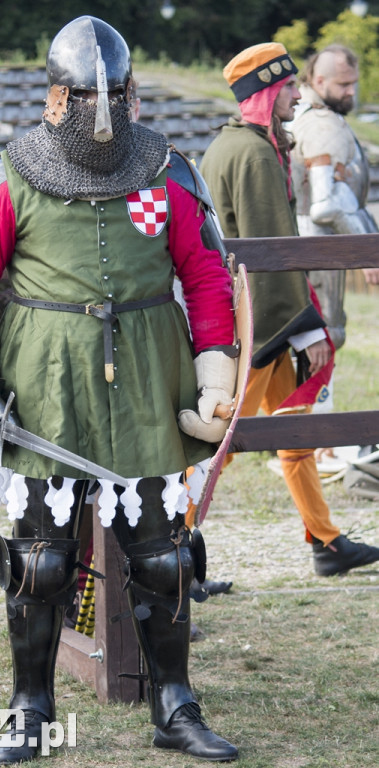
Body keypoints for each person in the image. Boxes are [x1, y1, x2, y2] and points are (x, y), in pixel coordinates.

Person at [0, 16, 239, 765]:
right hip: (45, 385)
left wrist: (214, 375)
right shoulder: (10, 176)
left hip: (147, 381)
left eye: (115, 95)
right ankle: (29, 708)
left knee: (165, 556)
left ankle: (174, 705)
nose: (100, 113)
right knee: (41, 560)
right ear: (55, 99)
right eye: (83, 96)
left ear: (128, 95)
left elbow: (204, 276)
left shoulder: (170, 172)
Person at [200, 42, 379, 578]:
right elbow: (269, 249)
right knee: (223, 442)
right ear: (266, 94)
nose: (298, 95)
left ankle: (325, 541)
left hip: (255, 316)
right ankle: (175, 548)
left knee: (297, 432)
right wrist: (303, 328)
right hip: (260, 324)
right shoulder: (254, 153)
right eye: (288, 88)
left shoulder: (237, 144)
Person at [290, 44, 379, 353]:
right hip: (317, 246)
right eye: (343, 84)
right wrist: (367, 246)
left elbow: (347, 198)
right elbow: (326, 204)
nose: (351, 92)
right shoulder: (321, 124)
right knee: (324, 336)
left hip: (312, 244)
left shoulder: (316, 115)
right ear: (318, 81)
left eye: (353, 83)